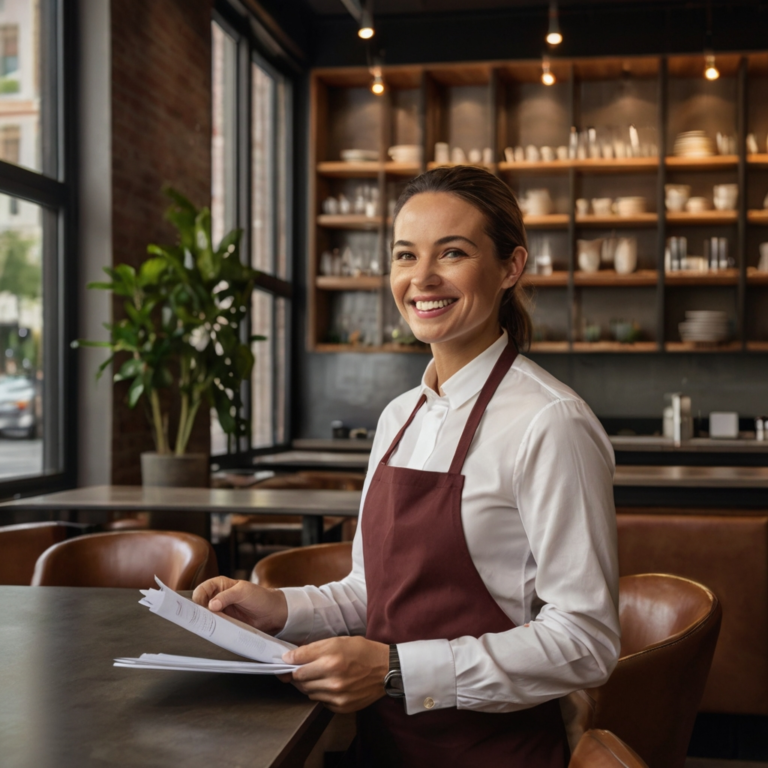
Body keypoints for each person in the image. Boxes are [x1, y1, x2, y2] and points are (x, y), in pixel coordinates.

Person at [193, 166, 620, 767]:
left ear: (510, 267)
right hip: (384, 746)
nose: (422, 278)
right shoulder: (399, 417)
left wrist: (395, 670)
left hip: (494, 754)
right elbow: (376, 595)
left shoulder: (551, 422)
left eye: (452, 252)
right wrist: (280, 608)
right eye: (404, 255)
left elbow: (585, 643)